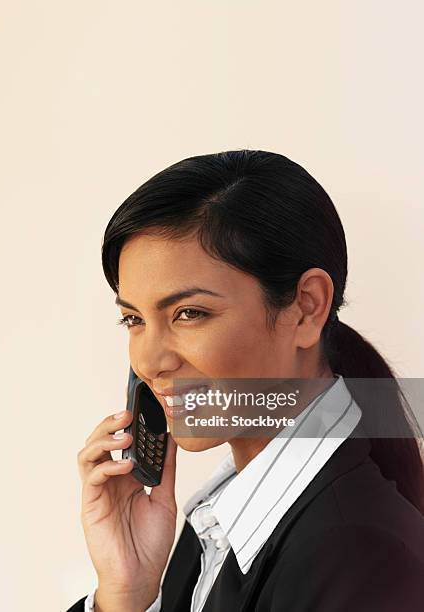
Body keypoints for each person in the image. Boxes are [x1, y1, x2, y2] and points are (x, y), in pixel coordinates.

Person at [67, 150, 424, 611]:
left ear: (306, 307)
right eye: (133, 320)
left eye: (189, 313)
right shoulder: (220, 522)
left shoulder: (363, 558)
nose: (149, 362)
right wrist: (128, 593)